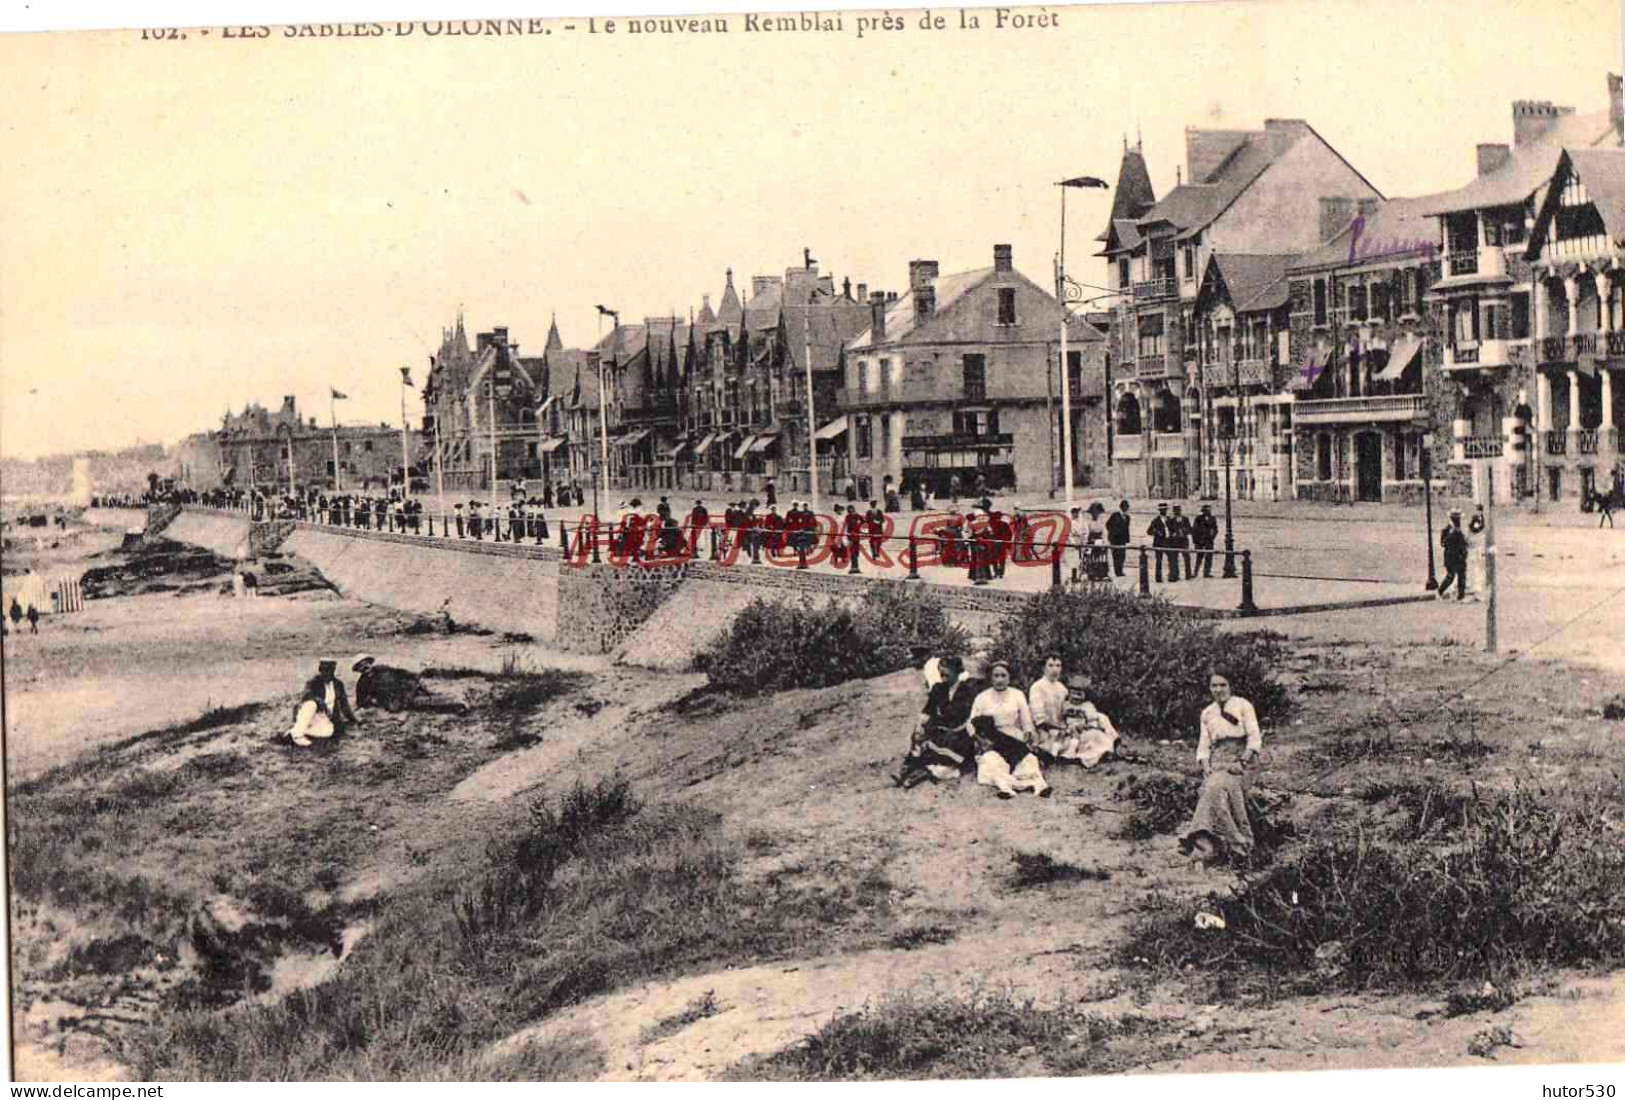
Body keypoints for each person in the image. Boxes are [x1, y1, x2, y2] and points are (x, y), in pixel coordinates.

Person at [1178, 670, 1261, 866]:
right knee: (1212, 786)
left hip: (1243, 761)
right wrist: (1206, 766)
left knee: (1217, 787)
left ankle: (1237, 843)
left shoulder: (1243, 705)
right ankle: (1208, 843)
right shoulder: (1207, 713)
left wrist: (1241, 763)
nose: (1218, 689)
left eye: (1223, 685)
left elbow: (1254, 739)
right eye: (1214, 685)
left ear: (1230, 686)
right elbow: (1203, 746)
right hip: (1218, 762)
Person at [894, 653, 984, 788]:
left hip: (961, 731)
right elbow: (927, 711)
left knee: (947, 752)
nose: (943, 676)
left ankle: (928, 772)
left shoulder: (968, 689)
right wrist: (919, 726)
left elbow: (973, 715)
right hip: (941, 729)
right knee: (924, 738)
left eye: (947, 673)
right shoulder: (938, 688)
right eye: (941, 672)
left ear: (957, 671)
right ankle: (914, 770)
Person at [969, 662, 1050, 798]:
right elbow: (971, 724)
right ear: (990, 678)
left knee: (1028, 760)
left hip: (1014, 737)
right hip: (990, 740)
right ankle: (1006, 788)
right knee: (992, 762)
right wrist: (980, 741)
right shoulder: (982, 698)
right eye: (996, 676)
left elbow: (1026, 721)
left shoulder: (1017, 695)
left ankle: (1039, 786)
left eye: (1003, 676)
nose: (1000, 679)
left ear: (1009, 677)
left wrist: (1029, 734)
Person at [351, 654, 467, 714]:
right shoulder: (362, 683)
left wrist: (416, 684)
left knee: (428, 699)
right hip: (395, 701)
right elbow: (361, 700)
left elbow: (407, 674)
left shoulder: (384, 670)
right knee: (426, 704)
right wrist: (372, 700)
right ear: (358, 670)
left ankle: (458, 701)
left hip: (407, 690)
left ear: (371, 663)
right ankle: (457, 702)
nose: (365, 667)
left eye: (366, 663)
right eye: (361, 666)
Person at [287, 658, 360, 747]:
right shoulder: (313, 682)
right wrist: (319, 701)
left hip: (325, 716)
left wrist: (353, 720)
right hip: (311, 714)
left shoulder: (338, 684)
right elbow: (306, 694)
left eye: (330, 670)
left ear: (334, 671)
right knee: (311, 704)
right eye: (324, 670)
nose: (327, 673)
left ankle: (296, 732)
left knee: (327, 733)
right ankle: (298, 735)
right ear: (320, 670)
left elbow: (344, 704)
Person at [1053, 681, 1121, 768]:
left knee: (1091, 741)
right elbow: (1061, 718)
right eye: (1073, 694)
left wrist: (1085, 726)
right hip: (1069, 727)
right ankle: (1055, 755)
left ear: (1084, 695)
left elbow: (1092, 721)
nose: (1076, 697)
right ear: (1069, 694)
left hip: (1083, 729)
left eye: (1079, 694)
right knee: (1061, 735)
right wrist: (1064, 726)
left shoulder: (1087, 706)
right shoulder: (1065, 705)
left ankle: (1075, 754)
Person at [1438, 507, 1469, 601]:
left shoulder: (1460, 529)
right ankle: (1440, 591)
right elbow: (1443, 543)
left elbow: (1463, 541)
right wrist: (1452, 534)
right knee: (1450, 575)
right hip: (1451, 556)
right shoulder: (1447, 529)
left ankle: (1461, 596)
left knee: (1462, 576)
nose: (1458, 520)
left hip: (1460, 555)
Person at [1148, 502, 1174, 583]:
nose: (1164, 511)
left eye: (1165, 510)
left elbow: (1173, 529)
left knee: (1171, 559)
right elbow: (1149, 531)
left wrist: (1173, 534)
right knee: (1159, 561)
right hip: (1159, 542)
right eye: (1162, 510)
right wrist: (1156, 532)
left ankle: (1171, 576)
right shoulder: (1155, 521)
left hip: (1168, 542)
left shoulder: (1170, 519)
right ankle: (1158, 577)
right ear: (1159, 511)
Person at [1192, 504, 1219, 578]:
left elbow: (1215, 529)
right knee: (1199, 557)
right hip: (1200, 541)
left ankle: (1206, 572)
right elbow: (1194, 530)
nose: (1208, 512)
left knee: (1209, 557)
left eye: (1209, 510)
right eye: (1206, 510)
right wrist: (1196, 541)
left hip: (1209, 540)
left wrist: (1212, 537)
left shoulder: (1212, 519)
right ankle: (1195, 572)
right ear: (1203, 511)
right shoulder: (1198, 519)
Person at [1106, 499, 1131, 577]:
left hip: (1122, 539)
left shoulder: (1127, 517)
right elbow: (1108, 524)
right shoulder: (1115, 515)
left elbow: (1127, 528)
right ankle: (1117, 571)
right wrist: (1113, 533)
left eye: (1127, 507)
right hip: (1115, 539)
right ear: (1121, 507)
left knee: (1122, 555)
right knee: (1116, 555)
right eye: (1124, 507)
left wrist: (1127, 538)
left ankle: (1120, 570)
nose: (1125, 508)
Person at [1170, 504, 1194, 579]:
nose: (1177, 512)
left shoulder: (1185, 519)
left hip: (1184, 541)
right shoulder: (1171, 520)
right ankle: (1175, 575)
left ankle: (1188, 574)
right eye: (1175, 510)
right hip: (1175, 541)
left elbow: (1190, 530)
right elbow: (1169, 530)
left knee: (1187, 557)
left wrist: (1184, 531)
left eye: (1178, 510)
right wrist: (1173, 534)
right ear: (1173, 511)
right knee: (1174, 558)